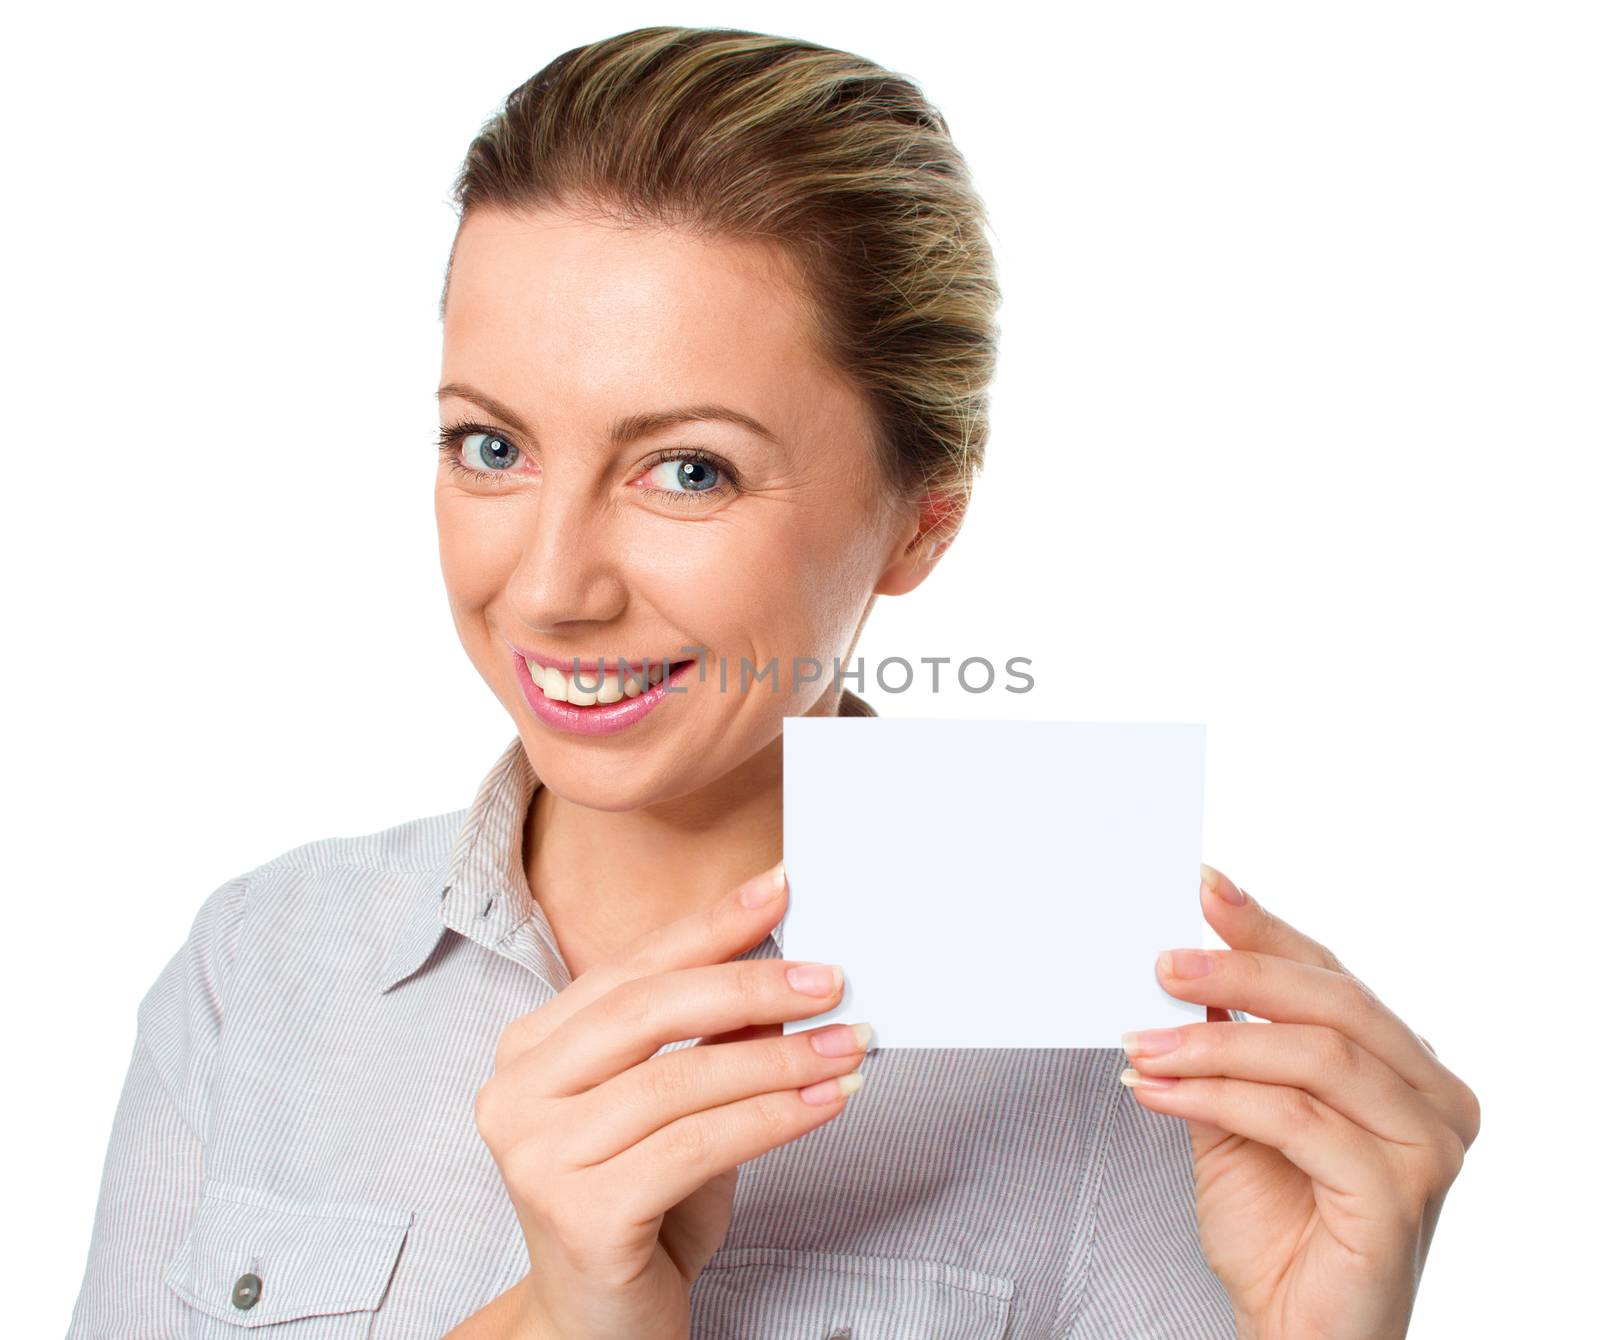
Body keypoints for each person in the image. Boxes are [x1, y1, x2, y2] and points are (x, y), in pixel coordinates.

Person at [65, 25, 1479, 1340]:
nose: (552, 584)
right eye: (490, 447)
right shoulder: (261, 965)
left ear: (922, 520)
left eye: (690, 470)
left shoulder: (1115, 1058)